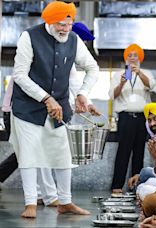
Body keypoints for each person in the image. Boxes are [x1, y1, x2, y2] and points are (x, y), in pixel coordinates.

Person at [9, 1, 99, 218]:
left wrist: (82, 94)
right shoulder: (29, 37)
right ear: (48, 22)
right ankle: (30, 203)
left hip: (59, 108)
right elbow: (20, 75)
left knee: (62, 154)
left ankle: (65, 202)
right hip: (27, 109)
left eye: (69, 25)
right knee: (29, 155)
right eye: (60, 25)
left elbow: (92, 67)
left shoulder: (74, 40)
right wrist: (46, 98)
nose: (65, 30)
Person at [109, 43, 155, 194]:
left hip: (142, 117)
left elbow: (152, 86)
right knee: (123, 152)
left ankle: (138, 186)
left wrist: (140, 73)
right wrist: (122, 83)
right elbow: (112, 95)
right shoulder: (118, 75)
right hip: (125, 117)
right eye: (130, 55)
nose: (133, 58)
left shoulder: (146, 73)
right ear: (126, 58)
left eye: (135, 55)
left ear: (140, 57)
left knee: (139, 153)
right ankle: (117, 186)